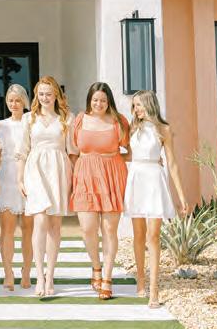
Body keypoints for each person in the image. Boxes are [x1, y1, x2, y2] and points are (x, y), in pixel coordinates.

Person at [124, 89, 189, 309]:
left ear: (150, 104)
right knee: (138, 235)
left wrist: (181, 196)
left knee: (153, 236)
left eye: (139, 105)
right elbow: (128, 155)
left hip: (154, 180)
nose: (136, 110)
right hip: (136, 178)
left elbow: (172, 163)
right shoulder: (133, 127)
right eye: (134, 106)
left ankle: (154, 288)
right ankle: (140, 279)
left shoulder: (164, 129)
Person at [71, 82, 130, 300]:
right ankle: (96, 266)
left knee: (109, 229)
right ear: (90, 100)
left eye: (103, 100)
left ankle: (107, 277)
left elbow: (130, 151)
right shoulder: (80, 120)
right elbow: (73, 152)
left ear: (109, 101)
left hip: (112, 176)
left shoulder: (119, 121)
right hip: (85, 176)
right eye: (95, 100)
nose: (99, 104)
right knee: (87, 228)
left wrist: (111, 160)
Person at [18, 75, 72, 298]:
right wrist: (20, 179)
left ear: (56, 95)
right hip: (35, 169)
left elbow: (72, 151)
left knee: (55, 225)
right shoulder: (28, 118)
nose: (45, 98)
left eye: (49, 94)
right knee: (40, 220)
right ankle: (39, 275)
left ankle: (50, 276)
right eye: (41, 94)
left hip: (58, 170)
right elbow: (22, 151)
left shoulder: (66, 118)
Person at [0, 83, 33, 292]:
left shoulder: (32, 122)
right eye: (11, 100)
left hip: (29, 176)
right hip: (7, 176)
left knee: (28, 229)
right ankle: (8, 272)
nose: (14, 104)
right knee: (7, 229)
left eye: (18, 100)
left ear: (25, 101)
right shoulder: (0, 125)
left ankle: (27, 271)